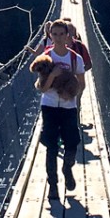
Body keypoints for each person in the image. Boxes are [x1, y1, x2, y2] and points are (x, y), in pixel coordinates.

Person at [31, 17, 85, 205]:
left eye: (62, 34)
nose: (58, 38)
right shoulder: (45, 58)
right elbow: (42, 88)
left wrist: (71, 95)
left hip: (69, 106)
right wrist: (52, 76)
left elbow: (82, 84)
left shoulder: (74, 58)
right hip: (49, 106)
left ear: (67, 35)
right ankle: (52, 186)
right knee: (51, 147)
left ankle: (67, 168)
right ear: (50, 36)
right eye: (55, 34)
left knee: (72, 143)